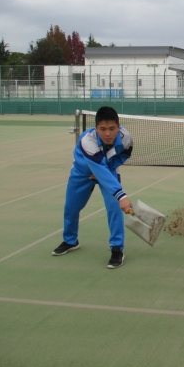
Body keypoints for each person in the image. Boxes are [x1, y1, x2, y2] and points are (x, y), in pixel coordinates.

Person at [52, 106, 134, 268]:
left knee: (114, 208)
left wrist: (109, 169)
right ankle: (70, 240)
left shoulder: (126, 138)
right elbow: (97, 167)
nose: (108, 133)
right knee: (71, 208)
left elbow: (125, 154)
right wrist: (122, 196)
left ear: (119, 127)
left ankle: (117, 249)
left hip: (107, 170)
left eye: (112, 129)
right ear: (96, 128)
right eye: (102, 129)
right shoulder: (87, 141)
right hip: (82, 172)